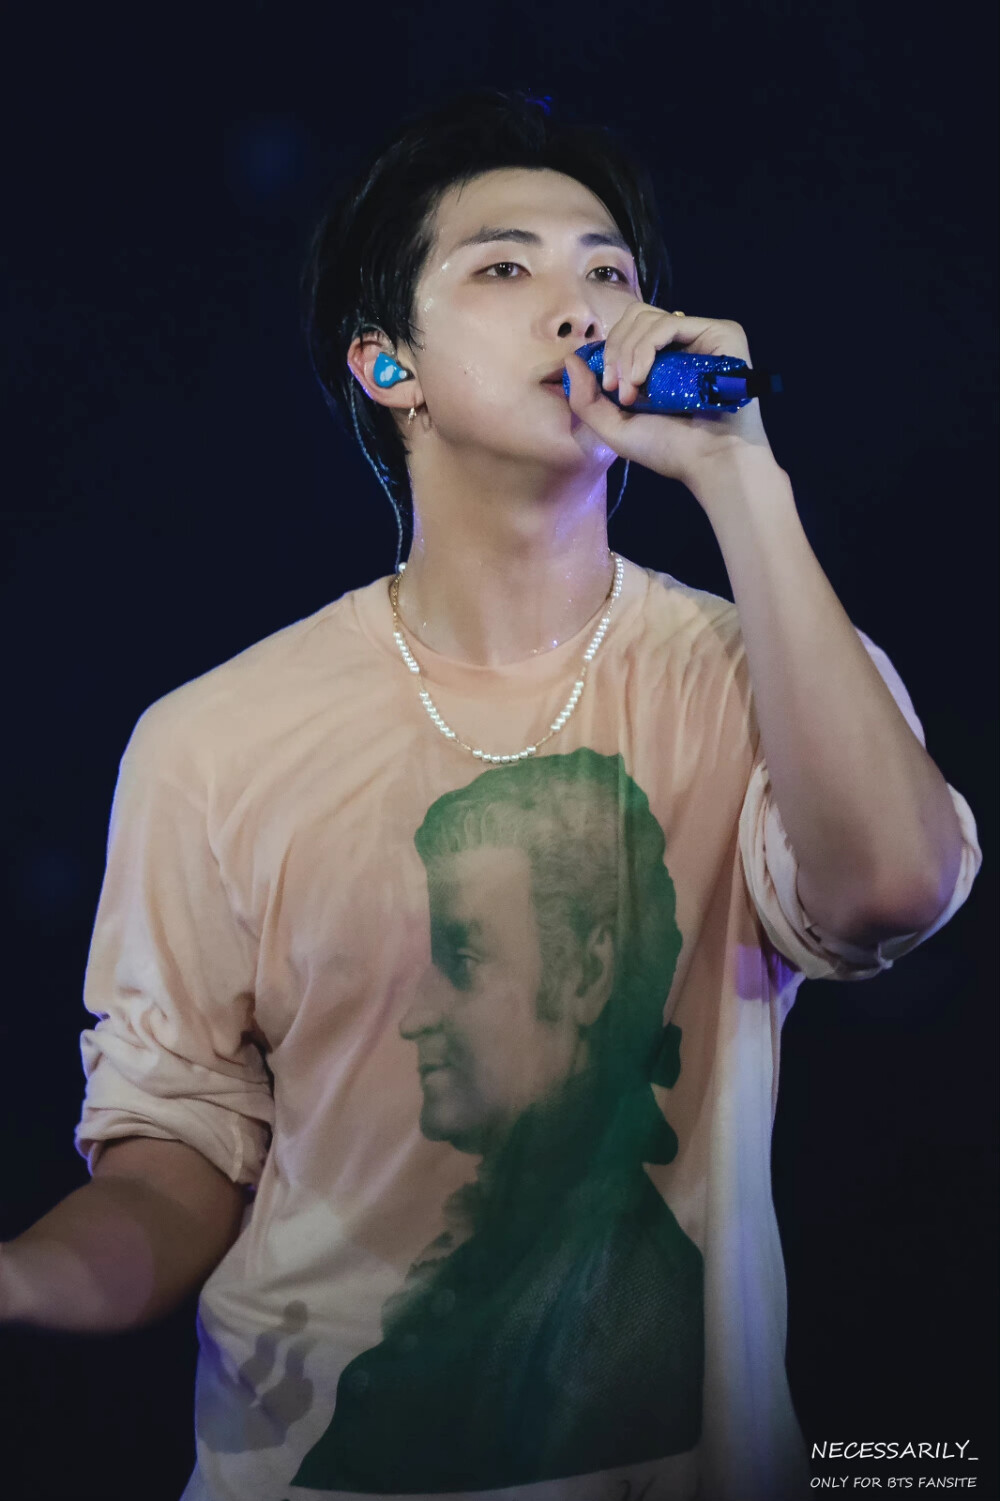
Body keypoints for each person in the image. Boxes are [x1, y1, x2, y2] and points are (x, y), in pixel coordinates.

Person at [0, 87, 980, 1501]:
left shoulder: (758, 667)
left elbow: (892, 891)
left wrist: (740, 474)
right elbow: (177, 1154)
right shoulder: (211, 741)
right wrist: (23, 1279)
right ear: (386, 365)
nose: (579, 305)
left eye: (609, 272)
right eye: (506, 267)